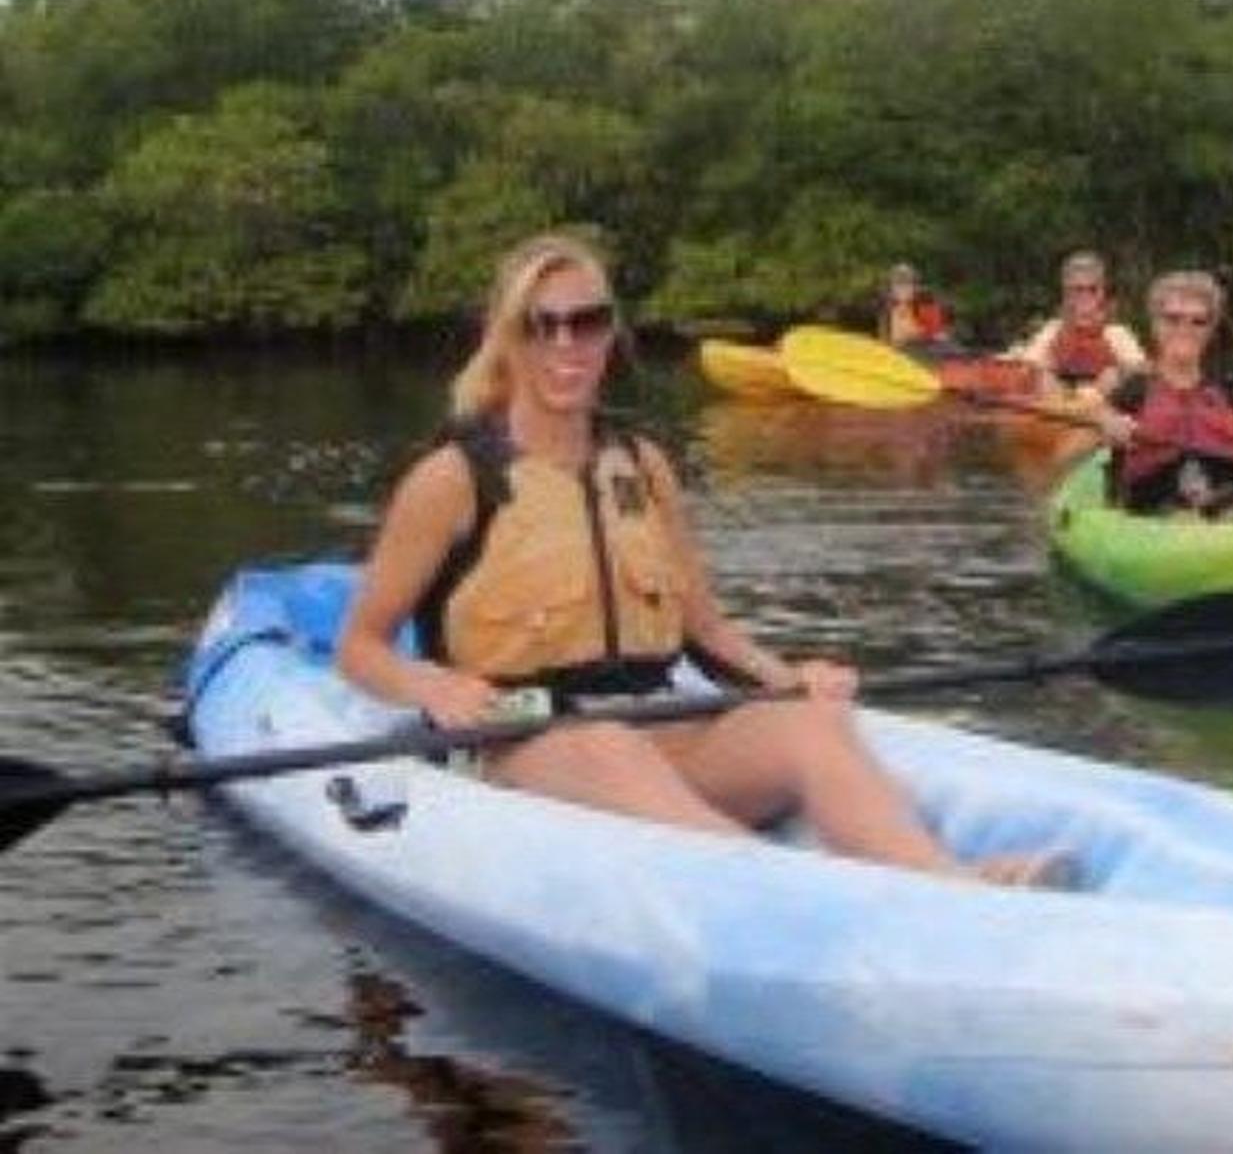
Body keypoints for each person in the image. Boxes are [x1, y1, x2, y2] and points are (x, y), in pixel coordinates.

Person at [337, 232, 1054, 885]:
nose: (567, 344)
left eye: (586, 321)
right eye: (541, 324)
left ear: (610, 332)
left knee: (809, 726)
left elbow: (705, 629)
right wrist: (431, 686)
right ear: (508, 339)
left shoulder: (643, 465)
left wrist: (789, 679)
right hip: (527, 741)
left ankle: (951, 882)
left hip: (661, 723)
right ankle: (792, 890)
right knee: (606, 747)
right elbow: (360, 648)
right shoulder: (453, 478)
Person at [1097, 270, 1233, 517]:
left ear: (1211, 328)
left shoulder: (1228, 391)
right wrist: (1109, 426)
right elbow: (1103, 419)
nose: (1185, 329)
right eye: (1173, 319)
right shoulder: (1134, 389)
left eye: (1198, 321)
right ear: (1155, 324)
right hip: (1159, 503)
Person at [1007, 250, 1148, 400]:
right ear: (1066, 295)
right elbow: (1028, 364)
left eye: (1092, 290)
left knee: (1115, 376)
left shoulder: (1116, 333)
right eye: (1077, 291)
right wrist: (1043, 371)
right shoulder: (1052, 330)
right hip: (1059, 408)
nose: (1085, 298)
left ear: (1103, 293)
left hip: (1102, 411)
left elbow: (1141, 368)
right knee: (1040, 378)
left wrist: (1120, 372)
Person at [877, 262, 954, 349]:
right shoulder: (888, 307)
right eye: (898, 284)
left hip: (924, 349)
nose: (903, 289)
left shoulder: (925, 304)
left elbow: (937, 334)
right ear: (891, 287)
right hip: (898, 351)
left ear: (915, 286)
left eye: (907, 284)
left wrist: (918, 334)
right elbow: (885, 338)